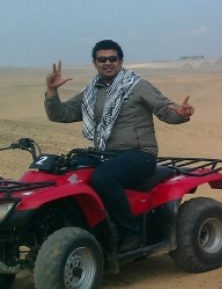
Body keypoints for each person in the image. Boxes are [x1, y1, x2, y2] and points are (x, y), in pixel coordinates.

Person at [44, 39, 194, 252]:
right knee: (67, 170)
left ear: (120, 61)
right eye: (102, 59)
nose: (108, 63)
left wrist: (180, 113)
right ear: (95, 63)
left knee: (103, 177)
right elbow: (61, 114)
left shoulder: (137, 86)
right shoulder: (91, 93)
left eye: (112, 59)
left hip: (139, 154)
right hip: (104, 154)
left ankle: (129, 233)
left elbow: (165, 109)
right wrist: (51, 92)